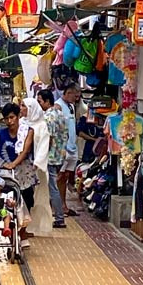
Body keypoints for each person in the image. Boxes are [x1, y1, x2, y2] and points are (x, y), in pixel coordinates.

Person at [0, 103, 36, 212]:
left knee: (26, 202)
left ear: (18, 116)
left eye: (12, 117)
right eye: (6, 118)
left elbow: (25, 151)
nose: (9, 121)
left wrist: (13, 164)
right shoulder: (0, 133)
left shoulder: (28, 131)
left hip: (24, 174)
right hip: (5, 173)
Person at [37, 88, 68, 228]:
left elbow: (48, 138)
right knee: (53, 186)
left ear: (47, 101)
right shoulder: (60, 114)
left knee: (52, 187)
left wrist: (42, 154)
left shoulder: (48, 117)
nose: (39, 104)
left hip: (50, 156)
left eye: (40, 101)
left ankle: (59, 217)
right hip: (59, 155)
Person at [24, 97, 53, 237]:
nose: (22, 109)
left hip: (36, 169)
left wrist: (37, 163)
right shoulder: (22, 123)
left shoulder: (42, 126)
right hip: (23, 168)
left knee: (37, 198)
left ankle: (34, 226)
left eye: (24, 106)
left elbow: (43, 146)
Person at [56, 83, 81, 216]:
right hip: (63, 149)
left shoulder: (71, 106)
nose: (76, 99)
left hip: (72, 147)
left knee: (65, 177)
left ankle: (63, 205)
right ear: (68, 93)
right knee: (59, 176)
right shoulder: (58, 106)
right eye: (75, 96)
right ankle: (55, 206)